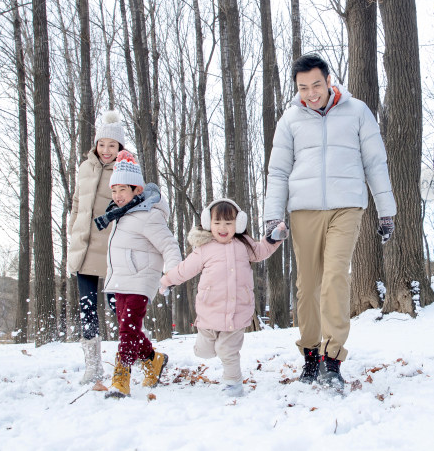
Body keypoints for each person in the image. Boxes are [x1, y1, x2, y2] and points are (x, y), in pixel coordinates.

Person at [263, 54, 397, 392]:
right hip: (304, 209)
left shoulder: (357, 112)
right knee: (308, 286)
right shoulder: (290, 119)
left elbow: (375, 162)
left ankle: (332, 357)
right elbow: (278, 171)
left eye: (316, 85)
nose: (311, 93)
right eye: (303, 87)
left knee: (335, 276)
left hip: (346, 206)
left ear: (329, 80)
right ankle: (310, 354)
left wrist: (386, 210)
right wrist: (273, 216)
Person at [158, 199, 288, 397]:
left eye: (229, 223)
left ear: (239, 224)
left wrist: (274, 238)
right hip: (209, 312)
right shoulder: (204, 249)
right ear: (209, 224)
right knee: (204, 352)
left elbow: (262, 251)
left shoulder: (244, 245)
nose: (223, 228)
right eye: (217, 223)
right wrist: (167, 280)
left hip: (238, 312)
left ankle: (233, 386)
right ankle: (208, 350)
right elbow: (184, 270)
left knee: (227, 351)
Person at [94, 150, 182, 398]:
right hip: (121, 281)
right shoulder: (120, 216)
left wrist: (173, 272)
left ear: (136, 190)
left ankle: (121, 378)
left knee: (127, 331)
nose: (117, 196)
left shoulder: (148, 214)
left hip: (141, 280)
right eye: (114, 191)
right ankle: (153, 360)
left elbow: (169, 245)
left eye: (122, 190)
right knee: (129, 329)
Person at [68, 111, 125, 385]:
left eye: (111, 146)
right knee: (87, 307)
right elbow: (77, 202)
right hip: (84, 246)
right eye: (102, 144)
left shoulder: (125, 168)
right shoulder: (84, 166)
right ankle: (92, 364)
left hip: (112, 247)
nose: (106, 150)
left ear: (119, 148)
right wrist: (73, 231)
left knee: (118, 306)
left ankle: (135, 353)